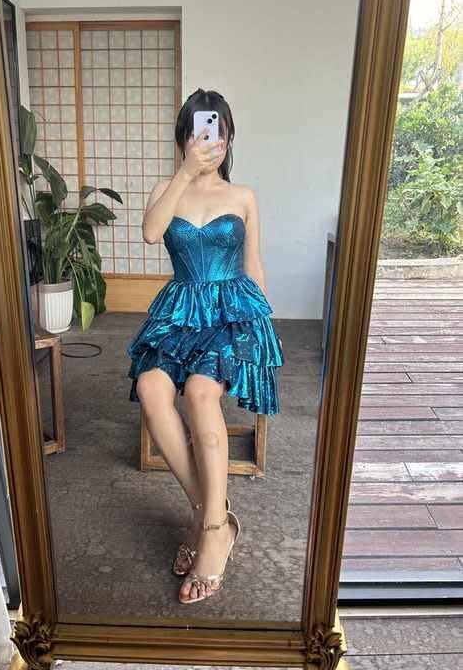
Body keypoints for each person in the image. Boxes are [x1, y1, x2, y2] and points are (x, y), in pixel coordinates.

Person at [126, 88, 285, 604]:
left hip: (231, 310)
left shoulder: (243, 196)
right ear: (184, 138)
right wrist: (184, 174)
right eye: (197, 132)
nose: (208, 141)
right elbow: (152, 233)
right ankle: (211, 517)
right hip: (179, 310)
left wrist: (263, 326)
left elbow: (253, 264)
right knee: (150, 388)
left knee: (199, 391)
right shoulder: (164, 188)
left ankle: (211, 532)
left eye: (216, 131)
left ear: (228, 137)